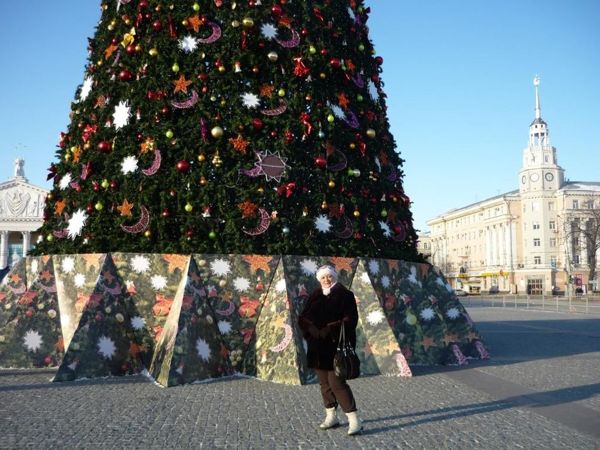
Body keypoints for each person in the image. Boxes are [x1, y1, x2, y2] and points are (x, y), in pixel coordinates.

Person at [298, 265, 363, 436]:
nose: (326, 280)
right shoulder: (315, 295)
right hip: (317, 347)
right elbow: (303, 317)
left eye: (329, 276)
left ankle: (354, 419)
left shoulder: (345, 295)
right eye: (323, 277)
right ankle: (331, 416)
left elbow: (351, 319)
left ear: (334, 277)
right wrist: (312, 330)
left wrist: (329, 329)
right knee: (324, 384)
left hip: (336, 347)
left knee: (337, 383)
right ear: (319, 280)